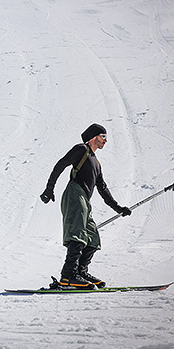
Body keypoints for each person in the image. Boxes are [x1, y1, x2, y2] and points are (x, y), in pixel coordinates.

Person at [40, 123, 132, 289]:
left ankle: (80, 272)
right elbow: (61, 164)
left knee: (92, 236)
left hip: (84, 200)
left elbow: (102, 188)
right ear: (94, 136)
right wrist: (49, 188)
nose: (106, 141)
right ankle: (68, 276)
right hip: (75, 194)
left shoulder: (96, 162)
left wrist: (119, 208)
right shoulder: (81, 150)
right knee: (78, 234)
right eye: (103, 136)